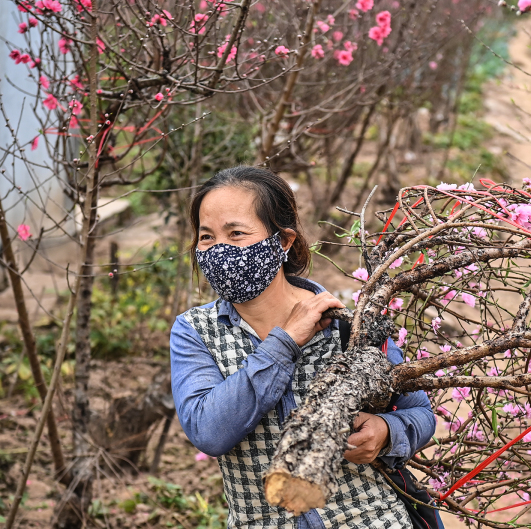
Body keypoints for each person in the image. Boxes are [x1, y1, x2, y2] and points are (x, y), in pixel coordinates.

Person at [170, 166, 436, 529]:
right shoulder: (195, 332)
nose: (219, 250)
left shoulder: (347, 323)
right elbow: (209, 431)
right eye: (206, 237)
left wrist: (387, 432)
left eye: (236, 234)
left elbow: (420, 414)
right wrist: (284, 343)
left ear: (282, 241)